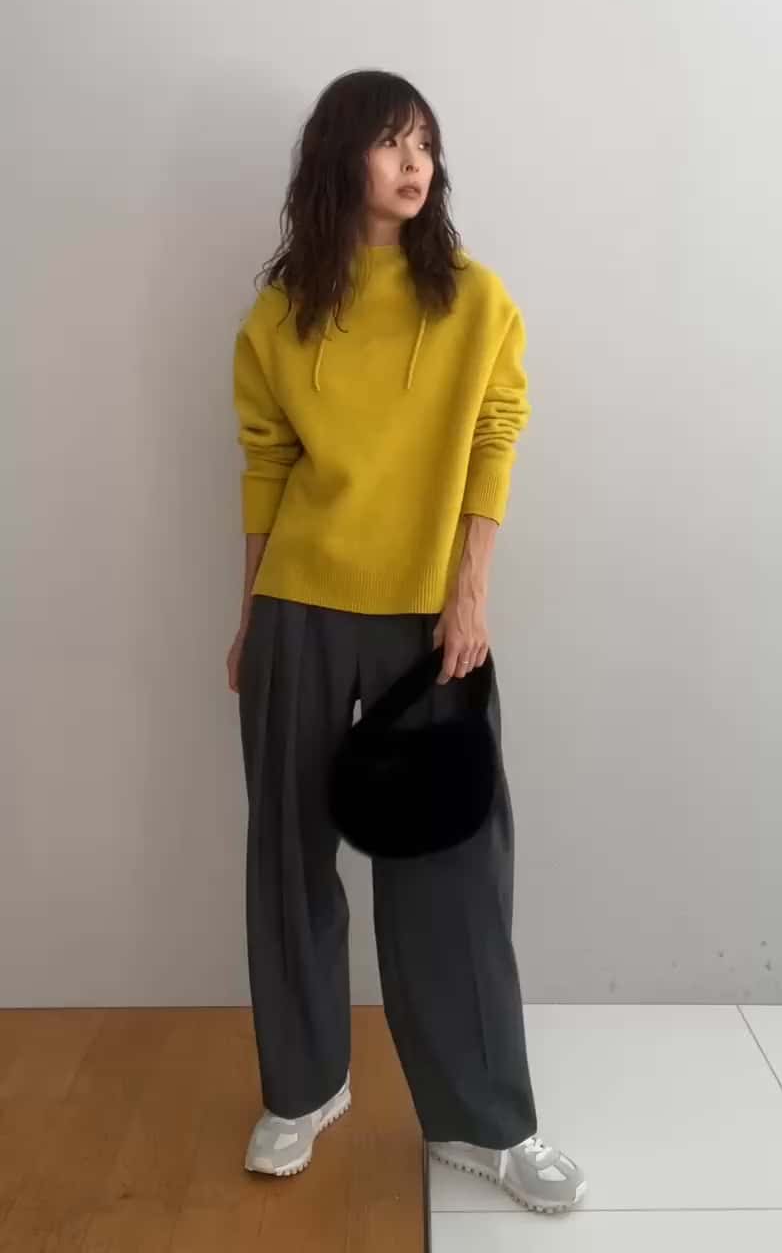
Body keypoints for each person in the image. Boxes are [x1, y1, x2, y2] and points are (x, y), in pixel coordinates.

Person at [227, 69, 586, 1214]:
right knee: (288, 853)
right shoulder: (282, 314)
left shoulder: (473, 298)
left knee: (452, 864)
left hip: (430, 618)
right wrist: (249, 612)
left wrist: (469, 594)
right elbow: (267, 462)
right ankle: (304, 1086)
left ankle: (484, 1119)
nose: (414, 160)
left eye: (424, 140)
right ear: (340, 158)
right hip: (300, 605)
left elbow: (496, 430)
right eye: (390, 140)